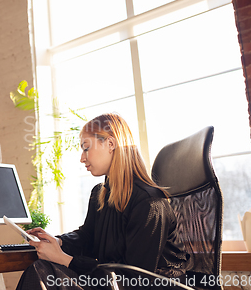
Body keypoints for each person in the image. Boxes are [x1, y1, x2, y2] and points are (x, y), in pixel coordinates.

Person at [16, 113, 189, 290]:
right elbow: (88, 237)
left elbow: (135, 278)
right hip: (112, 283)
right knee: (42, 269)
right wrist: (57, 242)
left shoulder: (150, 203)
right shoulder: (100, 193)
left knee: (43, 274)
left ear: (111, 144)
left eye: (86, 148)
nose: (82, 158)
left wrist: (65, 260)